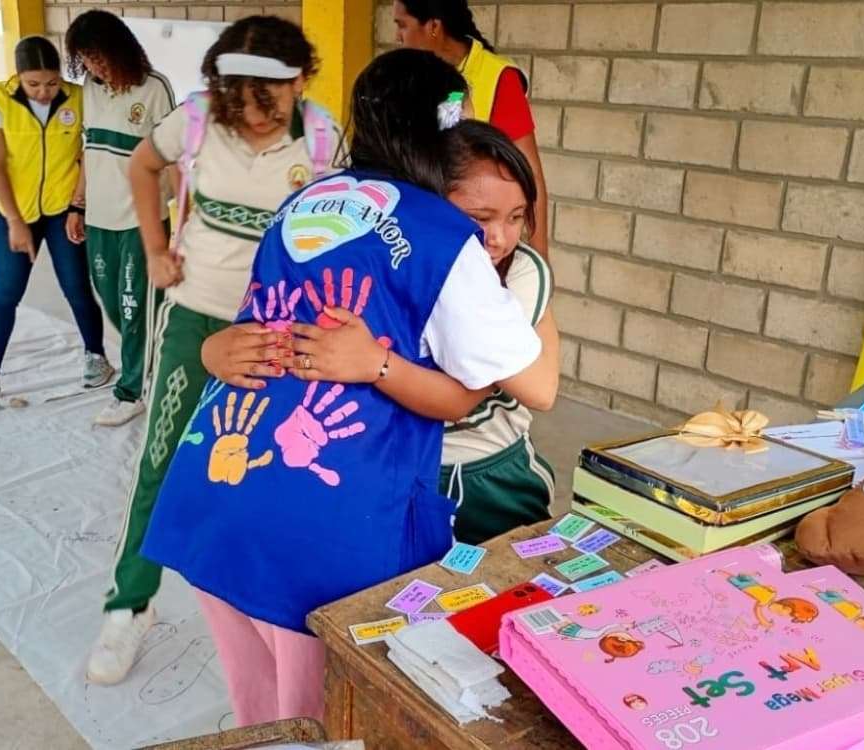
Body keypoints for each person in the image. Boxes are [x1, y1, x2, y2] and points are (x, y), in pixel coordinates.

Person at [140, 48, 557, 727]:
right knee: (324, 716)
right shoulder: (441, 235)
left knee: (259, 711)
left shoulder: (303, 201)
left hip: (217, 483)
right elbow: (528, 378)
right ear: (440, 131)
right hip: (321, 524)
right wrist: (523, 270)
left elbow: (256, 325)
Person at [84, 15, 342, 686]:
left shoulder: (322, 138)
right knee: (163, 459)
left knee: (272, 467)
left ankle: (268, 611)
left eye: (270, 99)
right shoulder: (197, 119)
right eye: (240, 98)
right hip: (198, 316)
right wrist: (153, 245)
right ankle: (130, 603)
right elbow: (143, 165)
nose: (253, 115)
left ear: (300, 82)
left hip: (278, 333)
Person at [204, 120, 559, 545]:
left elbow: (501, 394)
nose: (499, 237)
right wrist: (214, 350)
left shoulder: (519, 273)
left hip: (491, 470)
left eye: (517, 217)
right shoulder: (399, 260)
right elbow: (298, 341)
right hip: (400, 468)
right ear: (428, 212)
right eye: (479, 218)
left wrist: (376, 364)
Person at [0, 37, 112, 404]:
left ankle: (96, 358)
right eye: (33, 84)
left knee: (76, 287)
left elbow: (89, 152)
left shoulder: (79, 97)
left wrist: (78, 206)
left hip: (62, 210)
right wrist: (15, 221)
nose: (43, 92)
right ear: (18, 77)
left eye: (51, 83)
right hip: (14, 211)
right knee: (4, 293)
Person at [64, 10, 176, 427]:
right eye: (86, 59)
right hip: (100, 218)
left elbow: (172, 156)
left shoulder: (154, 88)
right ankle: (148, 363)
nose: (94, 66)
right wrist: (78, 205)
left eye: (99, 56)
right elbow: (88, 154)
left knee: (135, 308)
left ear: (119, 49)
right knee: (113, 302)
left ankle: (131, 391)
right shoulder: (89, 92)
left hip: (139, 220)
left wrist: (182, 219)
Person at [392, 0, 549, 256]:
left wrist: (539, 255)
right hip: (418, 238)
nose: (397, 36)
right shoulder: (407, 79)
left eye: (402, 25)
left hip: (476, 244)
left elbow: (530, 174)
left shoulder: (497, 77)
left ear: (433, 26)